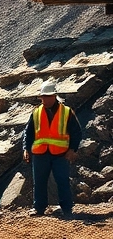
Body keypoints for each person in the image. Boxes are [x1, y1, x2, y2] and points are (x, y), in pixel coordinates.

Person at [23, 79, 82, 218]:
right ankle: (39, 208)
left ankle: (67, 209)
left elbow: (76, 132)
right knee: (39, 181)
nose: (44, 99)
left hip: (60, 154)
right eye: (43, 97)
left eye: (47, 96)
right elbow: (28, 132)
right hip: (40, 154)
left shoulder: (66, 112)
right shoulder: (36, 112)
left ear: (54, 96)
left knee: (62, 181)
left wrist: (72, 149)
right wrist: (26, 148)